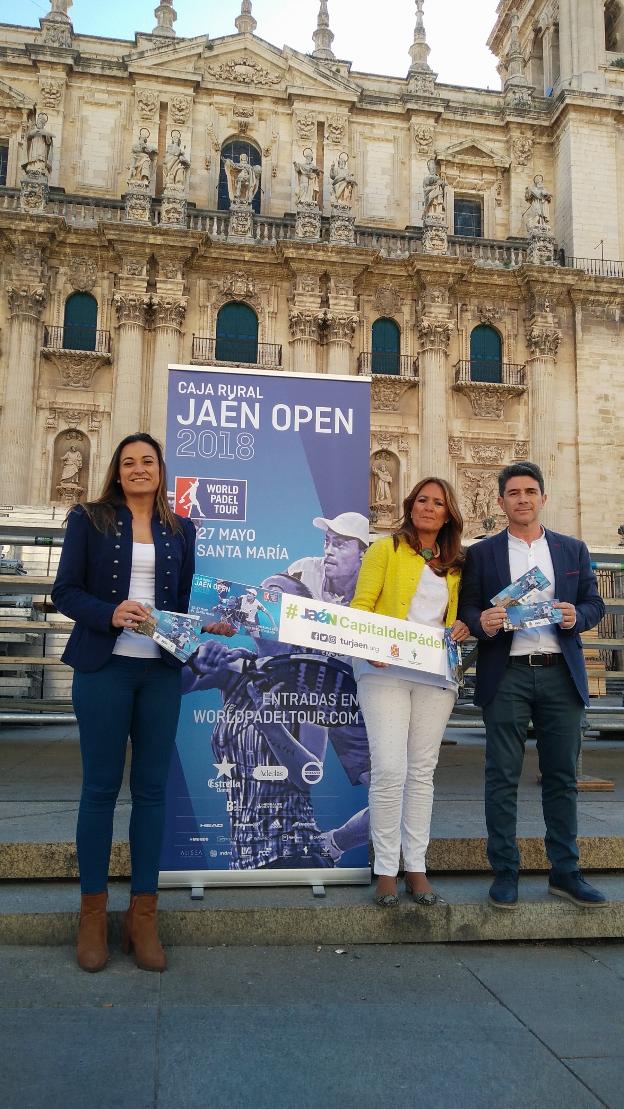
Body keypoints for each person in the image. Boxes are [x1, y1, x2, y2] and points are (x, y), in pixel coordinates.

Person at [51, 433, 197, 973]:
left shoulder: (183, 529)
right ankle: (92, 916)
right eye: (130, 462)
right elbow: (65, 591)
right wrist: (108, 613)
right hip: (103, 669)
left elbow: (180, 605)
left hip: (159, 672)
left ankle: (143, 917)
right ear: (117, 470)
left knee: (153, 793)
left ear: (161, 470)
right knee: (100, 789)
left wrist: (208, 626)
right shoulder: (89, 518)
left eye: (148, 462)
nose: (139, 469)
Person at [458, 462, 607, 909]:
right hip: (508, 674)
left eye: (530, 491)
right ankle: (505, 871)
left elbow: (595, 604)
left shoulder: (572, 549)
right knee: (500, 777)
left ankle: (566, 871)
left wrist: (575, 617)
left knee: (562, 778)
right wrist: (481, 621)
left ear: (543, 498)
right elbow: (466, 610)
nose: (522, 499)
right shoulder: (482, 554)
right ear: (501, 501)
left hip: (561, 672)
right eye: (514, 492)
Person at [351, 477, 470, 907]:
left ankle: (416, 867)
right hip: (384, 671)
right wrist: (369, 645)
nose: (429, 507)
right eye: (422, 500)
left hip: (436, 675)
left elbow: (460, 616)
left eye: (438, 502)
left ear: (448, 513)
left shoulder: (456, 562)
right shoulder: (385, 549)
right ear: (410, 505)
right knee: (388, 767)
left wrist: (463, 624)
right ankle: (386, 868)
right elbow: (361, 607)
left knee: (421, 771)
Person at [288, 511, 369, 603]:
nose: (328, 551)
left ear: (364, 552)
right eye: (327, 541)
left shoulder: (371, 588)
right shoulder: (301, 571)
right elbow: (271, 598)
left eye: (339, 544)